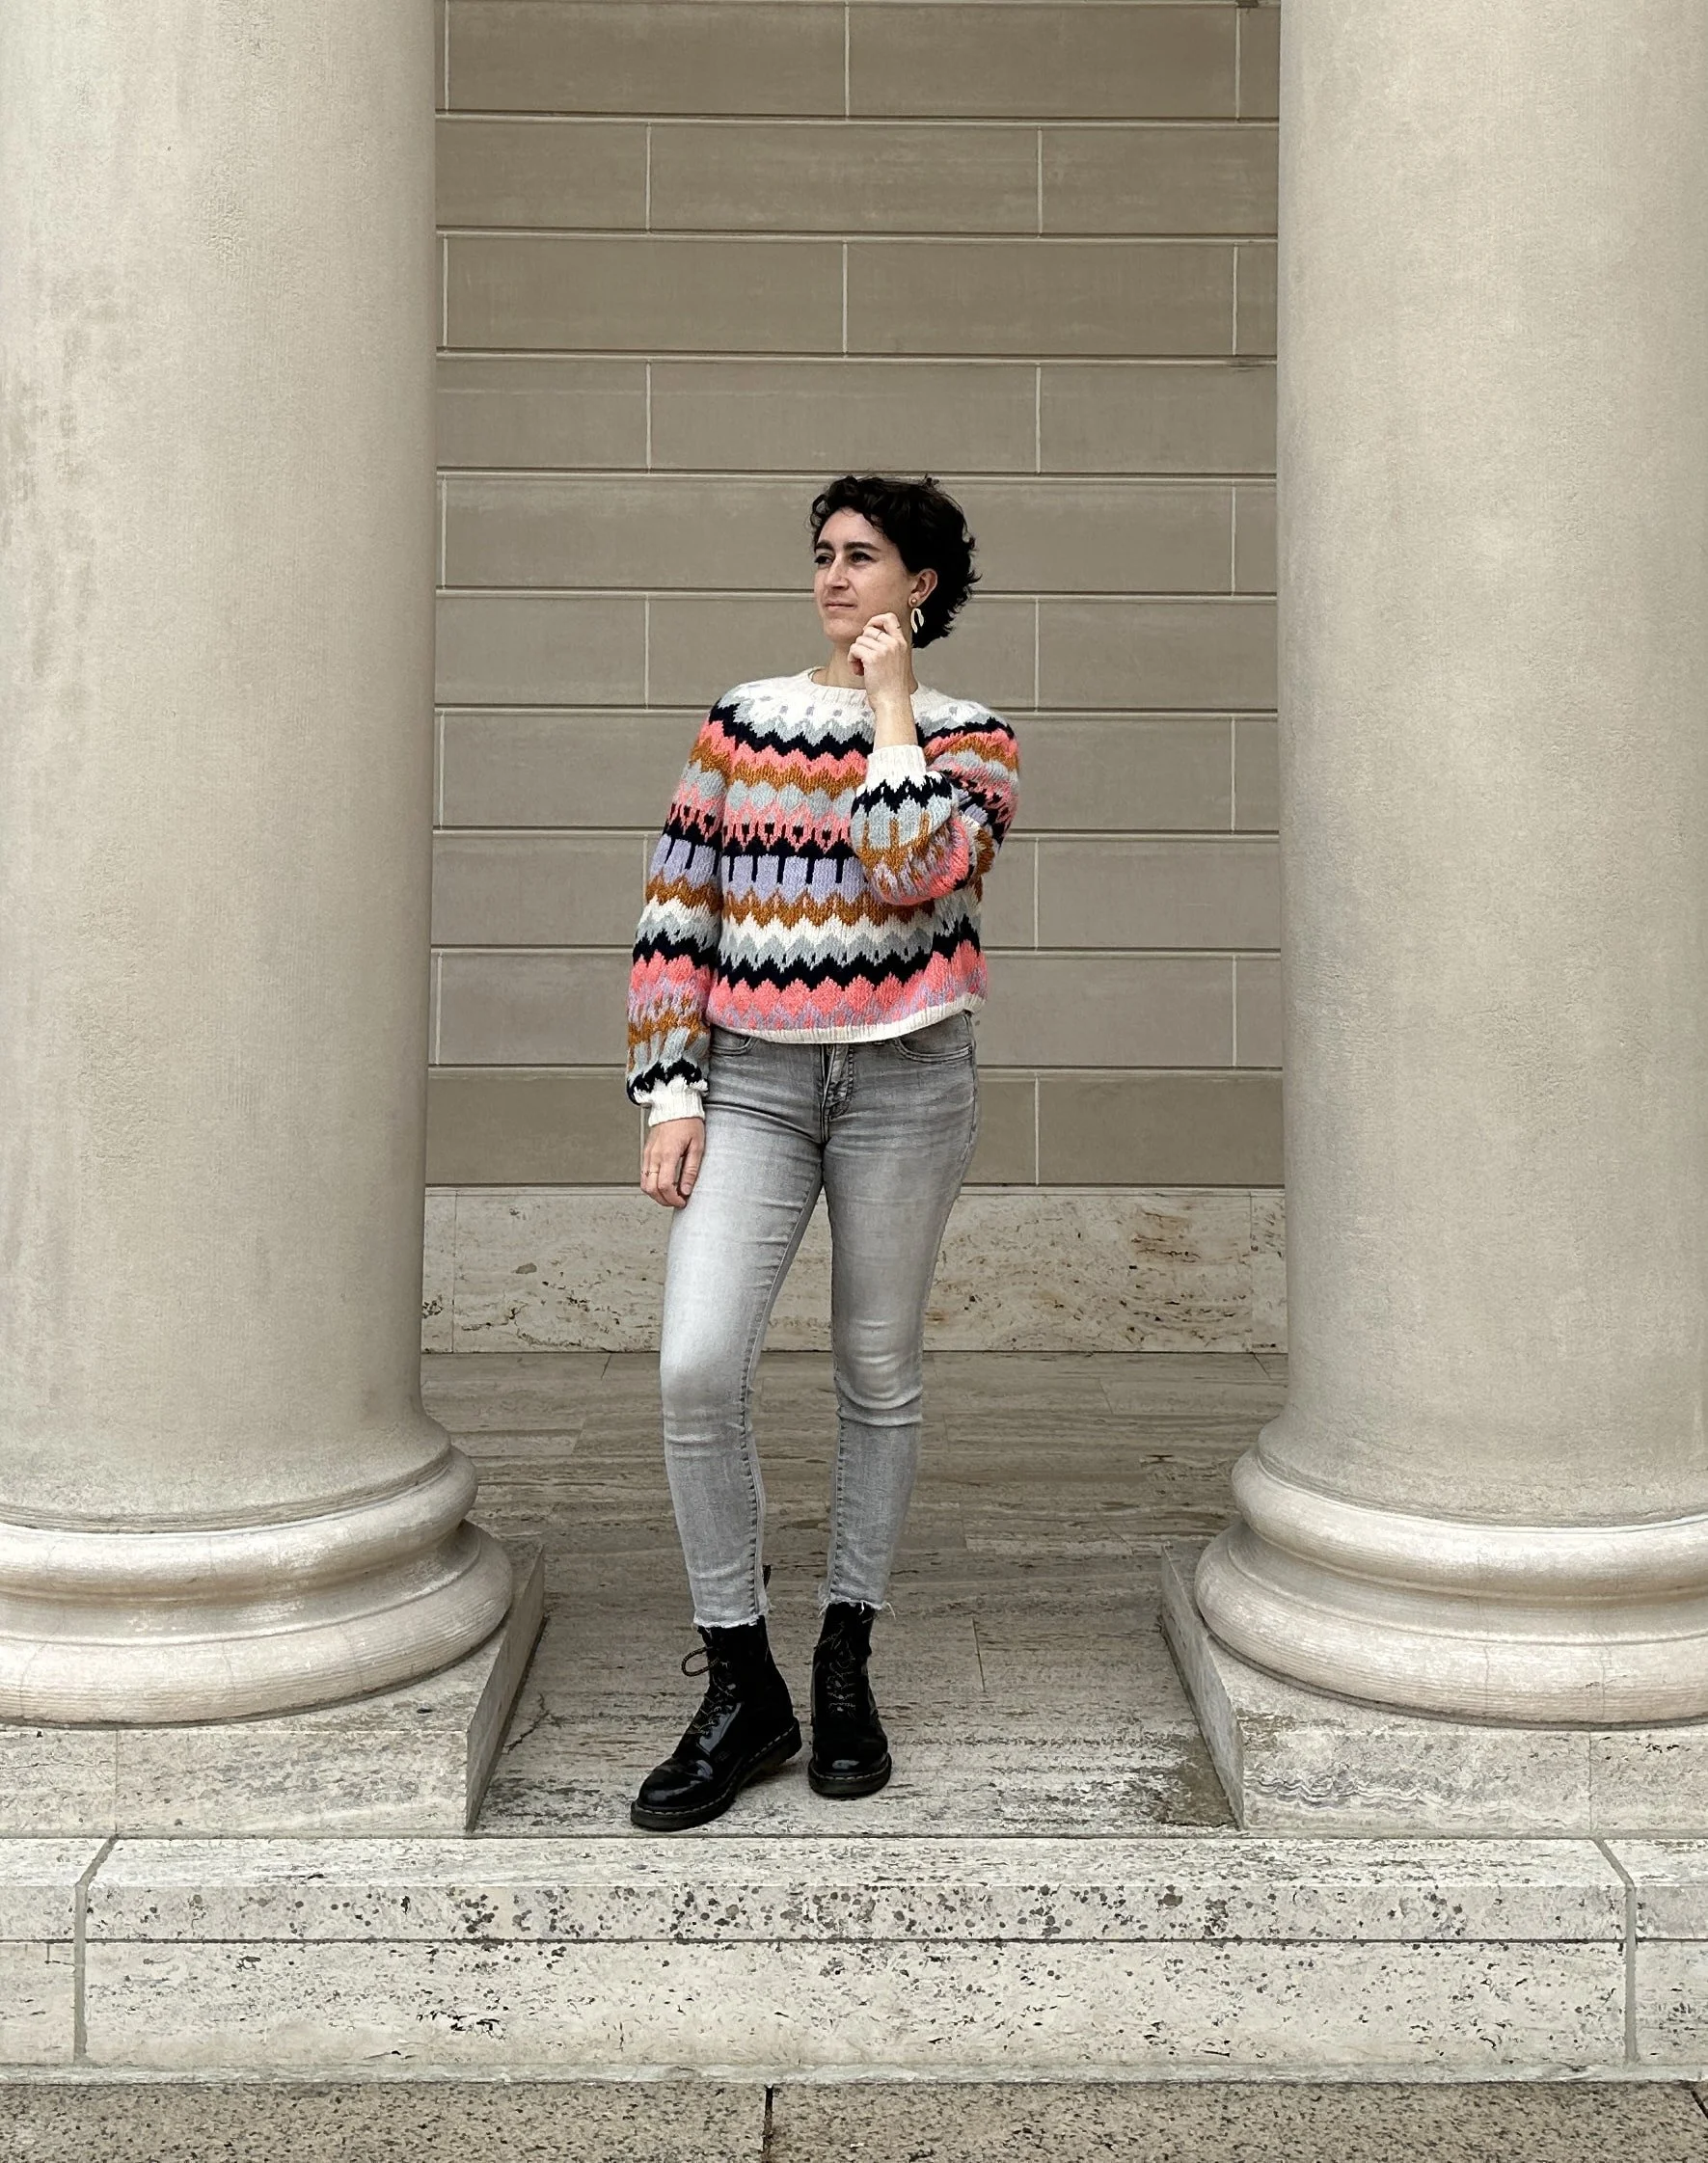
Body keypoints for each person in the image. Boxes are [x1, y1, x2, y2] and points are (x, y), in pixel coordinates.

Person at [622, 473, 1021, 1831]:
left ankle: (843, 1653)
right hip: (752, 1079)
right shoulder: (741, 721)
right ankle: (742, 1676)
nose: (835, 577)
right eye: (823, 555)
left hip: (908, 1083)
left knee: (876, 1368)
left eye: (864, 559)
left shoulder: (977, 741)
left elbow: (911, 867)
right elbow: (679, 906)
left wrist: (891, 707)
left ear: (921, 586)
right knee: (695, 1362)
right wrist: (671, 1091)